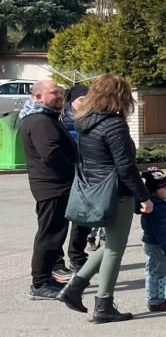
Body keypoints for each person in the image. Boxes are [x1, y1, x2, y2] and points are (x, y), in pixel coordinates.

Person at [58, 75, 151, 323]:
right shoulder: (114, 124)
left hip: (97, 189)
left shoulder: (85, 121)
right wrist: (143, 196)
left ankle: (74, 287)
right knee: (114, 249)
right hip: (117, 191)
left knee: (111, 244)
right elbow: (125, 167)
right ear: (120, 96)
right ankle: (103, 304)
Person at [18, 79, 74, 299]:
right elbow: (50, 154)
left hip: (53, 185)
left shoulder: (44, 117)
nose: (59, 96)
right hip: (53, 186)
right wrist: (74, 171)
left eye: (60, 92)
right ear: (38, 97)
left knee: (53, 233)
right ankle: (40, 283)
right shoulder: (40, 120)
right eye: (54, 93)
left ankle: (46, 277)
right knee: (50, 235)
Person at [61, 85, 92, 276]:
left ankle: (77, 256)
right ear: (72, 101)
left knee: (84, 217)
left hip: (87, 173)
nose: (85, 102)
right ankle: (57, 261)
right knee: (61, 220)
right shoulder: (62, 120)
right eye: (81, 99)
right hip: (68, 174)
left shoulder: (91, 118)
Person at [140, 168, 166, 312]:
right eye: (164, 188)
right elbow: (161, 230)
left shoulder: (160, 202)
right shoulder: (157, 207)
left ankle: (159, 298)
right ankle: (155, 301)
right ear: (154, 190)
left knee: (158, 273)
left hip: (158, 244)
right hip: (158, 245)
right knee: (156, 273)